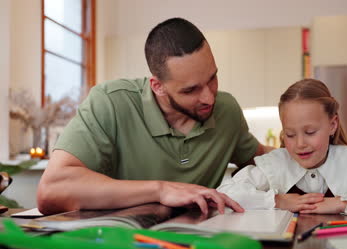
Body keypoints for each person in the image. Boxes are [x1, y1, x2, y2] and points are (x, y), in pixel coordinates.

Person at [37, 18, 273, 215]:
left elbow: (267, 162)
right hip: (119, 243)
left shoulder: (227, 110)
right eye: (190, 90)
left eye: (212, 78)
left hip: (198, 244)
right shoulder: (110, 102)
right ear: (157, 86)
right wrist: (160, 190)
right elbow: (51, 191)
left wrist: (305, 143)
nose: (209, 98)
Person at [217, 79, 347, 215]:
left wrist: (342, 203)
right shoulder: (275, 164)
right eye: (290, 135)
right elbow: (225, 193)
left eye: (310, 132)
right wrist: (277, 200)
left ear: (333, 125)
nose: (300, 144)